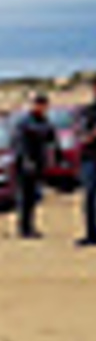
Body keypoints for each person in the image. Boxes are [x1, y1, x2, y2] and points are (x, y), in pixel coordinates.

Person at [10, 92, 57, 239]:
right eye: (40, 105)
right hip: (24, 164)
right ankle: (24, 228)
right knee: (24, 196)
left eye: (45, 106)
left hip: (38, 162)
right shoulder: (24, 121)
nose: (43, 108)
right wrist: (26, 160)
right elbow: (19, 143)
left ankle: (29, 226)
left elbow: (51, 139)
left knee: (34, 196)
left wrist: (57, 154)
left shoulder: (44, 121)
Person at [76, 78, 96, 246]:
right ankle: (91, 235)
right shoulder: (87, 112)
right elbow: (81, 138)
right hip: (91, 159)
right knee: (90, 197)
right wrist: (92, 135)